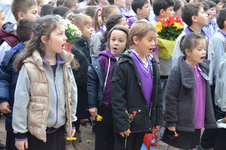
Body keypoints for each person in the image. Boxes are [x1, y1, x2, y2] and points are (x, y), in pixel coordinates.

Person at [12, 15, 78, 150]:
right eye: (60, 34)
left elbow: (72, 95)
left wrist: (72, 120)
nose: (65, 38)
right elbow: (20, 101)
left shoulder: (66, 63)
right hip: (35, 133)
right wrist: (20, 134)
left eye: (64, 33)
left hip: (58, 131)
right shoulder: (30, 66)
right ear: (44, 39)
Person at [111, 19, 163, 150]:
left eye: (155, 40)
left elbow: (158, 94)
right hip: (129, 121)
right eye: (150, 40)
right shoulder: (124, 64)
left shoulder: (153, 63)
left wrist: (157, 119)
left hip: (144, 119)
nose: (153, 44)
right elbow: (118, 97)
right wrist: (122, 123)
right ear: (136, 40)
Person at [162, 32, 217, 150]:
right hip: (181, 123)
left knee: (191, 147)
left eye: (204, 49)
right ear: (188, 52)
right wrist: (171, 121)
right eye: (199, 49)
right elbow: (170, 97)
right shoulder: (177, 71)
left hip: (197, 122)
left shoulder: (203, 69)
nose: (204, 52)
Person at [87, 25, 130, 150]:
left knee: (116, 140)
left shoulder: (129, 60)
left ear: (127, 42)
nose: (116, 43)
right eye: (113, 39)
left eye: (121, 41)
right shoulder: (102, 59)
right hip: (104, 107)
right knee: (101, 140)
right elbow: (92, 83)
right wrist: (92, 105)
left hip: (121, 109)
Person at [0, 19, 35, 150]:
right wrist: (3, 99)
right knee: (15, 140)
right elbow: (3, 77)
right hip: (15, 106)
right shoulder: (13, 54)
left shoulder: (41, 55)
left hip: (33, 107)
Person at [198, 8, 226, 150]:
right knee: (216, 121)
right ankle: (205, 144)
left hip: (220, 89)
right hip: (218, 87)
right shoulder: (219, 39)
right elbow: (217, 69)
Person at [67, 13, 94, 149]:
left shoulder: (86, 43)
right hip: (77, 87)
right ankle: (69, 140)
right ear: (77, 28)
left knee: (78, 116)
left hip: (83, 88)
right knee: (73, 114)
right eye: (88, 26)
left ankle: (76, 139)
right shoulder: (73, 46)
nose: (91, 29)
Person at [0, 0, 39, 65]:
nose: (38, 16)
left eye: (37, 13)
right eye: (34, 13)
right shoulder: (8, 43)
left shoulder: (39, 34)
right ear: (21, 15)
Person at [172, 2, 209, 67]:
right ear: (194, 18)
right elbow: (176, 63)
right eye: (203, 13)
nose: (207, 15)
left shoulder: (206, 35)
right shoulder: (183, 39)